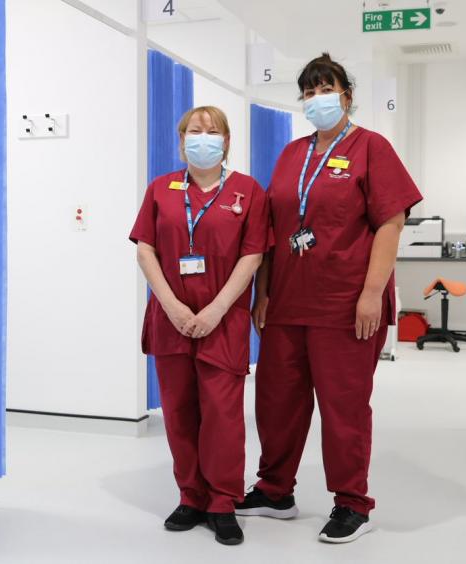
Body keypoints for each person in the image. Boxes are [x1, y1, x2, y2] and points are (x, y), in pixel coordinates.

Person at [234, 53, 423, 543]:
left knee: (344, 407)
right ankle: (276, 490)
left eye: (327, 88)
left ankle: (352, 503)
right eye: (310, 91)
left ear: (347, 95)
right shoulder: (292, 154)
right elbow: (276, 227)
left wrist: (371, 294)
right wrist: (264, 290)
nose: (318, 98)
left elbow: (390, 222)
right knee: (276, 401)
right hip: (287, 303)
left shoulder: (370, 147)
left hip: (345, 303)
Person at [129, 106, 270, 546]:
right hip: (170, 319)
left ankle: (222, 502)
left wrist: (216, 309)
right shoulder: (161, 189)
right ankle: (191, 495)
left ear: (226, 141)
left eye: (212, 131)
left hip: (222, 320)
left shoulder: (247, 191)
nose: (203, 137)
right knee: (179, 412)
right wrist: (169, 305)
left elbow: (253, 256)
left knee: (223, 415)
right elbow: (145, 250)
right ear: (181, 140)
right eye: (195, 130)